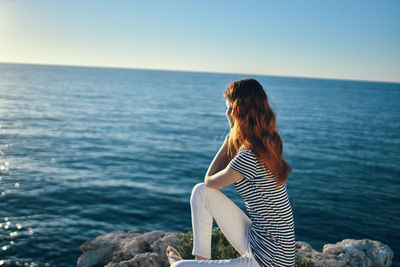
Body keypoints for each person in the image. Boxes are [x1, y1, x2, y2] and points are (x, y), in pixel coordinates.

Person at [166, 78, 296, 267]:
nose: (225, 112)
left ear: (236, 110)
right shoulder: (267, 143)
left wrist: (230, 136)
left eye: (228, 107)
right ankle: (201, 261)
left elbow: (211, 180)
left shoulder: (250, 155)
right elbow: (207, 187)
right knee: (200, 192)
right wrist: (236, 132)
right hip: (258, 239)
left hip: (269, 262)